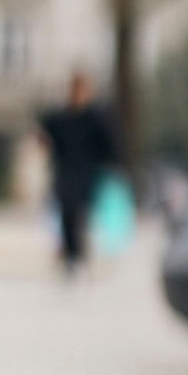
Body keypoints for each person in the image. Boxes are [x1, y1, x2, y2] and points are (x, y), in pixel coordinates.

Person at [38, 68, 120, 272]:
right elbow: (46, 133)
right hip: (65, 172)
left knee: (82, 215)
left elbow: (109, 145)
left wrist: (111, 167)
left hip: (87, 174)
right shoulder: (61, 116)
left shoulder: (96, 117)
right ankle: (71, 256)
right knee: (67, 213)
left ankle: (79, 255)